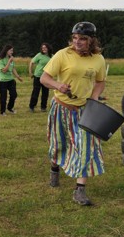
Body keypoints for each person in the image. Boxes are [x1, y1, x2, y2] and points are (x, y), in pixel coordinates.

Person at [40, 22, 107, 206]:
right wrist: (58, 86)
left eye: (83, 39)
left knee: (86, 148)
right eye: (75, 38)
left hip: (85, 110)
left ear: (91, 40)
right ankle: (55, 169)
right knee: (57, 145)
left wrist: (94, 97)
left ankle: (80, 191)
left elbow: (101, 81)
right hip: (61, 107)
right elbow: (44, 78)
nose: (77, 42)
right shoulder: (63, 54)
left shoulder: (98, 59)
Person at [0, 44, 23, 116]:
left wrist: (18, 77)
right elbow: (4, 70)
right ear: (6, 50)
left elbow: (13, 68)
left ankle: (10, 108)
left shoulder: (11, 58)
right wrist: (9, 61)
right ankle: (2, 112)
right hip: (2, 81)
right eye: (11, 50)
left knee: (14, 95)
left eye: (12, 50)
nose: (12, 51)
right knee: (3, 97)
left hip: (11, 80)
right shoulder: (0, 60)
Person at [28, 42, 53, 113]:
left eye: (45, 48)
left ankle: (43, 107)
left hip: (47, 77)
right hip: (38, 76)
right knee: (36, 92)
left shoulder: (52, 56)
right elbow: (31, 63)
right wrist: (30, 72)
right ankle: (31, 107)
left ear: (48, 48)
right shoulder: (39, 55)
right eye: (42, 48)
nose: (44, 49)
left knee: (45, 93)